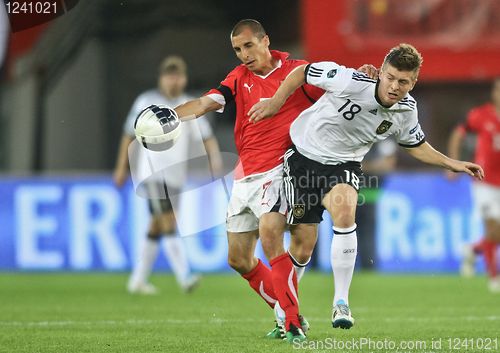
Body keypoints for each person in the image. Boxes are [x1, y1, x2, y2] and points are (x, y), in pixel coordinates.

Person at [249, 43, 484, 329]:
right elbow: (302, 72)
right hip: (303, 159)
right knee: (303, 246)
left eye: (404, 81)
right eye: (391, 77)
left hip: (345, 164)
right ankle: (287, 309)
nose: (395, 86)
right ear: (381, 72)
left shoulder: (407, 110)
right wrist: (275, 103)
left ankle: (341, 303)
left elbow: (415, 145)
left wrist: (453, 163)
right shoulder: (349, 79)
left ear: (413, 82)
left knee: (346, 213)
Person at [174, 19, 377, 341]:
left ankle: (292, 320)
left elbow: (340, 82)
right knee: (238, 259)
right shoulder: (238, 78)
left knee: (275, 236)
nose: (243, 54)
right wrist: (172, 116)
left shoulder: (298, 72)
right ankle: (285, 308)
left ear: (265, 40)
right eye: (238, 49)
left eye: (248, 46)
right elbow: (203, 102)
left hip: (283, 170)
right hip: (245, 175)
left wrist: (363, 74)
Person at [113, 56, 222, 294]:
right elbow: (127, 135)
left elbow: (207, 137)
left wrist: (215, 161)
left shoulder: (188, 105)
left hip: (175, 176)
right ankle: (185, 277)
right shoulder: (147, 101)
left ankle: (137, 280)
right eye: (169, 76)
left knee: (156, 225)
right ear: (161, 79)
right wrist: (122, 167)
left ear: (183, 79)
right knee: (168, 219)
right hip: (150, 174)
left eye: (177, 76)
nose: (173, 81)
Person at [447, 77, 500, 292]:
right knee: (493, 227)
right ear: (494, 92)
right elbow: (458, 134)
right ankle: (494, 278)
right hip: (484, 181)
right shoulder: (481, 115)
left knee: (496, 233)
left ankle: (472, 250)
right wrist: (452, 162)